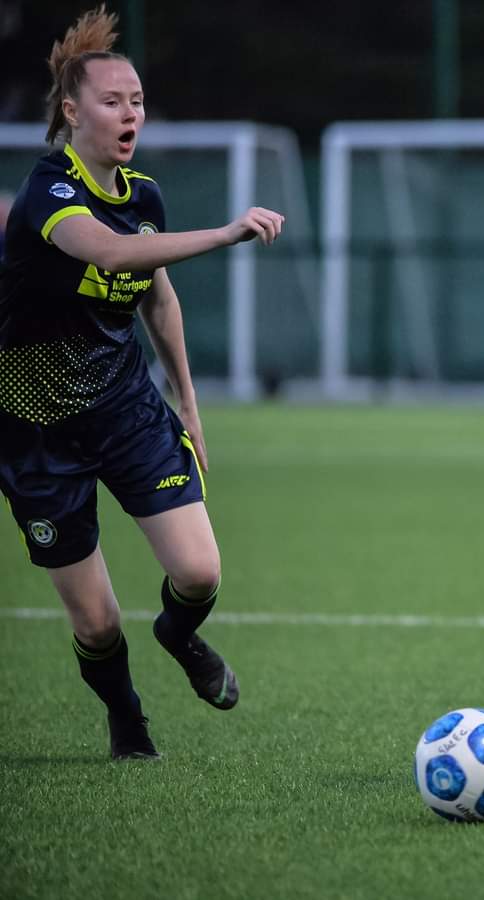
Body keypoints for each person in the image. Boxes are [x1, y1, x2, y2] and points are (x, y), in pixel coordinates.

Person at [0, 7, 284, 760]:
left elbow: (154, 292)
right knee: (93, 624)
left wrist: (187, 401)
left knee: (198, 572)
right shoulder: (47, 196)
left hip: (125, 408)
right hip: (34, 430)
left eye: (138, 102)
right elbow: (110, 254)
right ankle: (127, 720)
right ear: (72, 110)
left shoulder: (144, 195)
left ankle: (177, 635)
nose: (131, 114)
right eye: (113, 101)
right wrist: (225, 233)